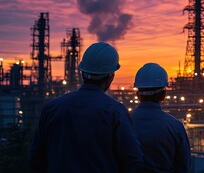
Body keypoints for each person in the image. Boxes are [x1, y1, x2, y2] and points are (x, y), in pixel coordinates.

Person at [29, 42, 143, 173]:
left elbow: (36, 157)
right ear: (110, 77)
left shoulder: (52, 108)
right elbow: (133, 158)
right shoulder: (115, 112)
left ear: (82, 72)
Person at [131, 62, 191, 173]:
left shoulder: (123, 122)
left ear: (138, 95)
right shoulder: (175, 127)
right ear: (163, 95)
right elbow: (183, 167)